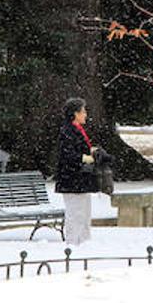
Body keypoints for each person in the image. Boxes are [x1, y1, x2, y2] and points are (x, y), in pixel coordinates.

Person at [56, 97, 97, 244]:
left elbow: (79, 149)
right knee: (75, 213)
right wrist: (84, 158)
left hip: (80, 179)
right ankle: (73, 242)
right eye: (83, 111)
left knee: (85, 213)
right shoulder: (68, 131)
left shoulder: (77, 129)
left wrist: (91, 152)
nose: (85, 114)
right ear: (75, 114)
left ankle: (85, 241)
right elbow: (67, 155)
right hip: (71, 180)